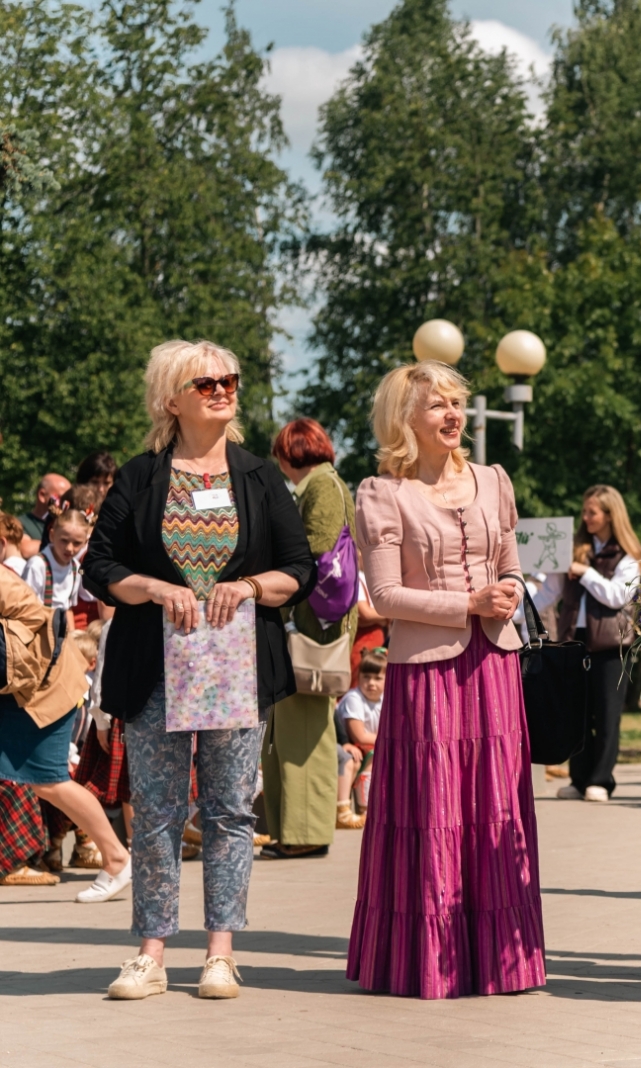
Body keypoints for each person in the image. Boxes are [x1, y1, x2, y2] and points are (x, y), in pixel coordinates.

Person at [82, 339, 315, 1000]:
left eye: (229, 380)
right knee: (155, 811)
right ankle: (151, 954)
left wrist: (248, 587)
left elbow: (300, 568)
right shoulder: (140, 476)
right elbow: (99, 566)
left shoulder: (259, 477)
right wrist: (153, 589)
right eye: (205, 382)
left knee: (230, 812)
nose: (222, 390)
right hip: (155, 667)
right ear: (171, 399)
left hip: (237, 668)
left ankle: (221, 954)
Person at [347, 360, 545, 999]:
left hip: (496, 665)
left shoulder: (493, 480)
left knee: (497, 809)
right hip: (427, 674)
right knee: (433, 811)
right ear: (405, 419)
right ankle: (427, 961)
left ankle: (501, 962)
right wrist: (467, 605)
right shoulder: (382, 493)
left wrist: (509, 592)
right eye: (437, 406)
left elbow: (513, 568)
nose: (453, 415)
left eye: (456, 403)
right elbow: (382, 594)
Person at [0, 560, 134, 901]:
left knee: (50, 781)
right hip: (19, 689)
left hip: (44, 686)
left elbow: (36, 622)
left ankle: (117, 858)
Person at [261, 418, 357, 859]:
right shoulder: (327, 486)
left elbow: (315, 553)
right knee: (294, 734)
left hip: (310, 630)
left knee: (304, 738)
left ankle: (305, 833)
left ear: (289, 453)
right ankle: (294, 830)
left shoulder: (322, 488)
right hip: (311, 627)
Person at [555, 484, 641, 803]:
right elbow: (551, 591)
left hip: (611, 646)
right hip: (574, 642)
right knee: (577, 714)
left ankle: (601, 780)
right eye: (584, 511)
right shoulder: (575, 550)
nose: (585, 517)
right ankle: (578, 779)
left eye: (591, 512)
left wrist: (586, 573)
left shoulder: (627, 557)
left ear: (609, 515)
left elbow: (618, 595)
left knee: (607, 716)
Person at [335, 649, 385, 830]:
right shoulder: (354, 698)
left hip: (372, 745)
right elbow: (359, 736)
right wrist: (388, 740)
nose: (371, 683)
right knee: (372, 757)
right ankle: (366, 809)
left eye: (378, 678)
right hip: (354, 747)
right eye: (366, 677)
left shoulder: (385, 699)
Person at [21, 507, 93, 619]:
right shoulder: (37, 565)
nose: (69, 548)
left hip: (59, 629)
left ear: (85, 543)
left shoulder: (76, 569)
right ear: (52, 536)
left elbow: (68, 609)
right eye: (64, 540)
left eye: (77, 543)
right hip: (36, 625)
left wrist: (71, 635)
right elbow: (25, 607)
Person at [18, 474, 70, 559]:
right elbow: (25, 550)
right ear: (42, 495)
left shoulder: (69, 524)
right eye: (62, 498)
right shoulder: (21, 523)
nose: (66, 503)